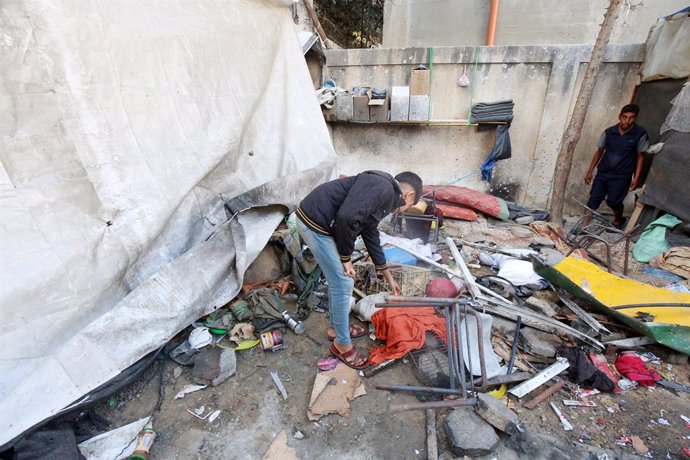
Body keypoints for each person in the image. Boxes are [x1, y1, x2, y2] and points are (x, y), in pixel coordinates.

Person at [295, 170, 423, 369]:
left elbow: (370, 234)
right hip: (314, 223)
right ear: (409, 195)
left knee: (339, 280)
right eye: (408, 207)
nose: (403, 211)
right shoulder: (384, 187)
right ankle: (342, 345)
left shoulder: (383, 194)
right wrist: (346, 258)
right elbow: (346, 217)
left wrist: (388, 276)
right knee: (343, 281)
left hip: (318, 222)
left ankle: (336, 330)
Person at [584, 104, 649, 228]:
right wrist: (590, 171)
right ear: (619, 116)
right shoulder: (609, 132)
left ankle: (619, 219)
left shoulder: (640, 134)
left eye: (631, 118)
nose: (627, 120)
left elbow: (641, 157)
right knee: (594, 197)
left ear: (635, 118)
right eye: (624, 117)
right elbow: (599, 152)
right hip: (603, 172)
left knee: (614, 201)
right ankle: (583, 224)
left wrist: (636, 178)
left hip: (622, 175)